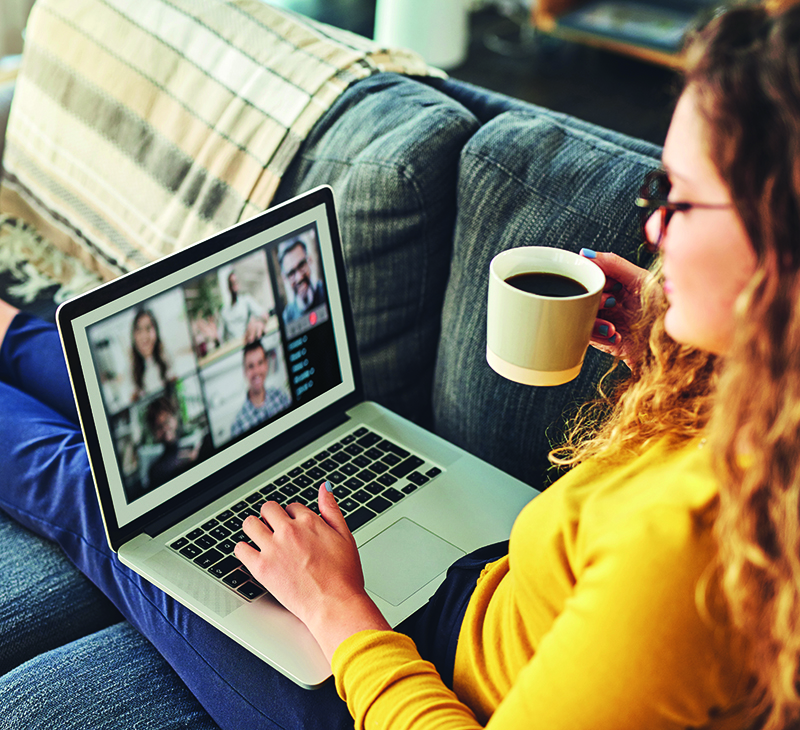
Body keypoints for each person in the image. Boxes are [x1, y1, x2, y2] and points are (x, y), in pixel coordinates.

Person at [0, 4, 799, 728]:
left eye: (685, 200)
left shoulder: (696, 556)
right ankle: (12, 332)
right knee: (151, 421)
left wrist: (338, 607)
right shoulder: (763, 398)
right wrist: (661, 348)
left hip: (399, 692)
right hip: (473, 608)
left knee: (104, 499)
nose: (655, 232)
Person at [230, 340, 291, 438]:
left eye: (260, 363)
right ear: (245, 371)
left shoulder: (281, 397)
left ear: (266, 365)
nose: (256, 371)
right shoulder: (238, 424)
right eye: (251, 366)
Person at [144, 394, 208, 489]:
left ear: (175, 420)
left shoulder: (192, 448)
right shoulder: (156, 470)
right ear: (154, 432)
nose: (165, 428)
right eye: (159, 427)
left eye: (167, 421)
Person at [278, 239, 326, 323]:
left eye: (302, 265)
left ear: (309, 260)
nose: (299, 277)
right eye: (291, 273)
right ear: (285, 278)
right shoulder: (287, 318)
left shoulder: (328, 292)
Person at [130, 308, 173, 401]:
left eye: (148, 328)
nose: (144, 336)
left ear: (156, 331)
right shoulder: (131, 372)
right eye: (139, 330)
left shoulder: (169, 360)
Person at [219, 271, 268, 343]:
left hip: (248, 343)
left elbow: (264, 314)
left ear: (238, 284)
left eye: (235, 283)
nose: (234, 287)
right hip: (234, 349)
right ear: (228, 288)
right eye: (231, 284)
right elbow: (221, 337)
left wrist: (258, 323)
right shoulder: (224, 311)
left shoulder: (246, 300)